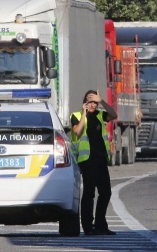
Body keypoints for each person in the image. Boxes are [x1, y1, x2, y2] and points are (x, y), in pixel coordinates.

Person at [70, 90, 117, 236]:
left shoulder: (100, 115)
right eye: (90, 102)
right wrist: (84, 113)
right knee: (89, 193)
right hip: (87, 160)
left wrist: (102, 101)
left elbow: (114, 115)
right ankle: (87, 226)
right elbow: (77, 131)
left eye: (95, 103)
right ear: (84, 102)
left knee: (106, 192)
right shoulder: (76, 116)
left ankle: (101, 224)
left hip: (101, 159)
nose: (92, 105)